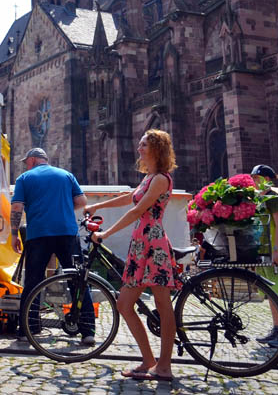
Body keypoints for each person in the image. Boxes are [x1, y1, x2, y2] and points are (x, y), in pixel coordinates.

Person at [88, 129, 177, 382]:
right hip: (142, 243)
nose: (139, 148)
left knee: (162, 305)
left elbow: (138, 209)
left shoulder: (160, 178)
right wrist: (98, 205)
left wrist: (106, 233)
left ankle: (164, 367)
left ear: (156, 149)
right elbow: (129, 197)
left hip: (153, 243)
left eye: (144, 145)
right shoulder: (149, 177)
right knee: (124, 304)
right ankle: (149, 360)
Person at [10, 147, 93, 345]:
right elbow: (82, 201)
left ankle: (28, 329)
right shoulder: (66, 175)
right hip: (67, 232)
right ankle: (88, 330)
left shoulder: (25, 178)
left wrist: (14, 234)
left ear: (31, 161)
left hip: (39, 234)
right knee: (78, 280)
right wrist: (62, 207)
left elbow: (16, 208)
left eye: (26, 162)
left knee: (33, 281)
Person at [251, 164, 278, 350]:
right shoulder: (256, 198)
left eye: (257, 177)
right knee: (271, 293)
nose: (253, 180)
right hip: (263, 250)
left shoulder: (274, 198)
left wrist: (276, 250)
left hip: (276, 251)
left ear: (267, 179)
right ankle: (277, 328)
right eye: (253, 177)